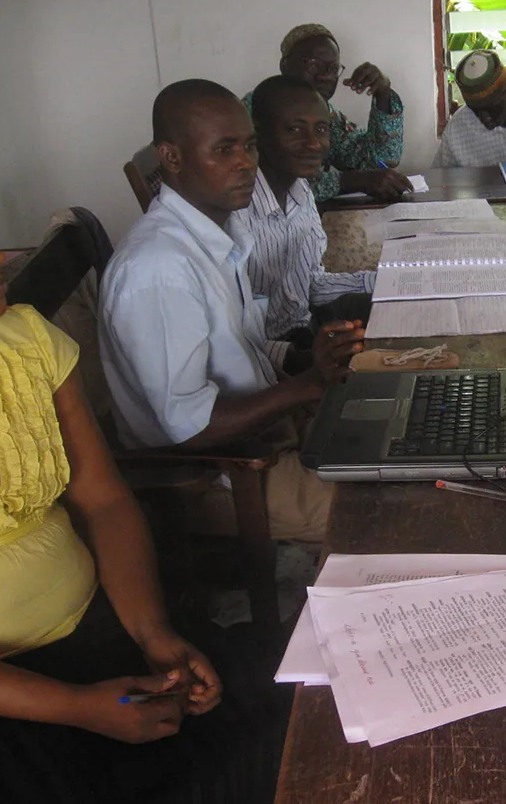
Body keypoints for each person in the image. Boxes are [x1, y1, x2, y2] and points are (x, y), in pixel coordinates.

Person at [0, 137, 287, 804]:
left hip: (103, 626)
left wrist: (154, 634)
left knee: (287, 719)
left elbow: (103, 501)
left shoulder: (20, 341)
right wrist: (77, 708)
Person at [100, 79, 363, 542]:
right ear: (172, 157)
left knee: (405, 442)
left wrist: (313, 362)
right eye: (224, 150)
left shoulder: (219, 236)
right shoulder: (160, 268)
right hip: (222, 477)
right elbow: (189, 427)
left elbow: (240, 349)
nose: (245, 163)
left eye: (249, 146)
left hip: (267, 435)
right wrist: (309, 385)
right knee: (396, 508)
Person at [234, 75, 375, 359]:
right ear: (258, 134)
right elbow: (229, 340)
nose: (313, 143)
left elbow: (309, 283)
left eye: (320, 129)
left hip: (304, 331)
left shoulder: (299, 188)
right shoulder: (234, 215)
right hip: (264, 359)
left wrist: (388, 281)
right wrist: (299, 359)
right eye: (294, 129)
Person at [245, 23, 411, 203]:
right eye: (313, 64)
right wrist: (354, 181)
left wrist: (383, 94)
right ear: (284, 65)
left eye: (333, 68)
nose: (324, 76)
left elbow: (379, 159)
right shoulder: (258, 107)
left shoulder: (326, 114)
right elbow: (274, 182)